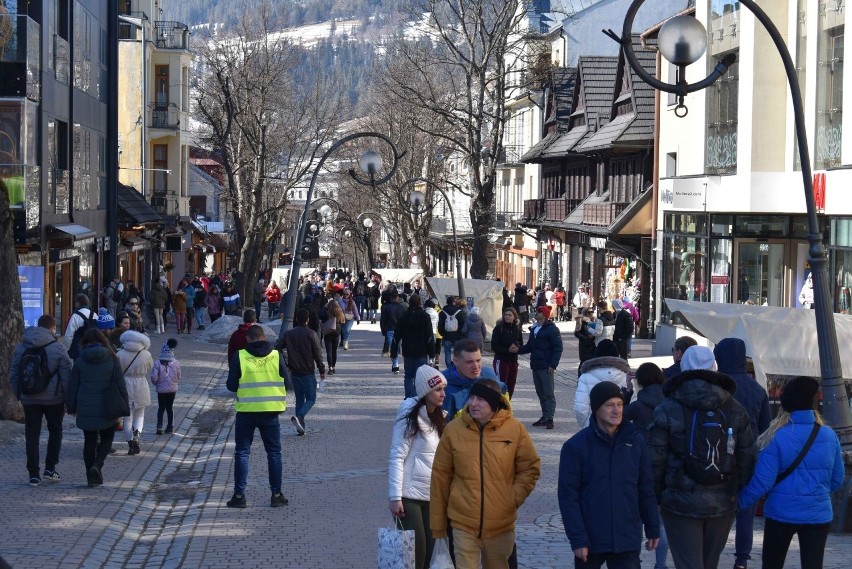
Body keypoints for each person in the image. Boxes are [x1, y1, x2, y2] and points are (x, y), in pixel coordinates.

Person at [648, 346, 755, 569]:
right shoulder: (734, 408)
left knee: (688, 564)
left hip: (678, 501)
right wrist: (736, 490)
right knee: (709, 564)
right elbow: (747, 455)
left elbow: (655, 458)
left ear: (682, 367)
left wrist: (656, 496)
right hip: (722, 500)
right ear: (715, 367)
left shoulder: (668, 407)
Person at [431, 379, 541, 568]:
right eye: (472, 397)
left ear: (494, 403)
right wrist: (438, 524)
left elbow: (530, 468)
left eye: (481, 399)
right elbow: (440, 477)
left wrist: (512, 498)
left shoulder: (515, 429)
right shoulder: (454, 430)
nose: (473, 403)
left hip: (500, 525)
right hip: (462, 522)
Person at [738, 376, 844, 569]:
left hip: (781, 512)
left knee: (772, 564)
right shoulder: (829, 435)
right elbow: (837, 479)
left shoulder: (776, 436)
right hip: (818, 514)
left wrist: (737, 503)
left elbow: (762, 482)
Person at [559, 381, 660, 569]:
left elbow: (645, 488)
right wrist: (578, 538)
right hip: (591, 537)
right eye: (609, 405)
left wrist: (653, 526)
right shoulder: (575, 447)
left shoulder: (635, 442)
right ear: (596, 408)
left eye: (620, 404)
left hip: (626, 536)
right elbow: (568, 497)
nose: (616, 410)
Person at [713, 337, 772, 569]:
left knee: (718, 509)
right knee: (746, 508)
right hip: (749, 455)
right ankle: (742, 558)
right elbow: (766, 427)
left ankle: (713, 552)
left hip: (717, 455)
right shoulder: (757, 390)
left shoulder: (716, 388)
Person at [388, 366, 448, 569]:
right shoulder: (409, 417)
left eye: (443, 388)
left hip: (432, 496)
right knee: (416, 554)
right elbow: (397, 456)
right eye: (438, 389)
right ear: (425, 392)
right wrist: (395, 497)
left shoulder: (439, 417)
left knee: (431, 553)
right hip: (409, 496)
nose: (443, 394)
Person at [226, 325, 289, 507]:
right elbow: (287, 380)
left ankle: (239, 496)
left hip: (246, 412)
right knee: (274, 453)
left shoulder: (240, 356)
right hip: (270, 412)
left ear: (248, 339)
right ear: (263, 337)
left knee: (242, 453)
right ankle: (276, 495)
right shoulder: (276, 355)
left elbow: (231, 386)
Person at [10, 314, 73, 486]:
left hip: (29, 398)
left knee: (32, 434)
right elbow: (66, 376)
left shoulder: (22, 346)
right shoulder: (58, 348)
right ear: (53, 328)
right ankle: (50, 468)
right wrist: (68, 400)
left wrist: (19, 394)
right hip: (54, 399)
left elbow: (14, 373)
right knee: (55, 431)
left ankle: (33, 474)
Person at [65, 329, 127, 487]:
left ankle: (90, 477)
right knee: (107, 437)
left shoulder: (79, 361)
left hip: (86, 406)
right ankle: (97, 464)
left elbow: (73, 386)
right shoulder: (112, 358)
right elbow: (120, 383)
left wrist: (70, 406)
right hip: (108, 405)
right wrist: (124, 404)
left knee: (89, 441)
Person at [623, 363, 669, 569]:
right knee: (660, 519)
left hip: (640, 463)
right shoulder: (670, 403)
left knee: (637, 516)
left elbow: (618, 418)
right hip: (665, 465)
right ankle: (661, 564)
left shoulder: (638, 406)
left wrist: (627, 390)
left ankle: (635, 557)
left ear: (639, 382)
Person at [277, 308, 326, 436]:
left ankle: (300, 427)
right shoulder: (311, 334)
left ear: (296, 319)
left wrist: (286, 360)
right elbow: (317, 354)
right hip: (308, 371)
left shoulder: (289, 334)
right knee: (311, 398)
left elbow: (277, 347)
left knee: (299, 398)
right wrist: (322, 369)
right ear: (307, 319)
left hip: (294, 371)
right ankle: (300, 417)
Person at [514, 306, 563, 430]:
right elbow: (530, 346)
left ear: (545, 315)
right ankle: (544, 416)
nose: (537, 313)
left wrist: (553, 364)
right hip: (536, 365)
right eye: (537, 311)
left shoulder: (552, 329)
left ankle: (550, 418)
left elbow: (558, 348)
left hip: (546, 366)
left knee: (548, 393)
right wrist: (517, 350)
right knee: (540, 392)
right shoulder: (535, 329)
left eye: (539, 312)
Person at [574, 340, 632, 428]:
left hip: (594, 427)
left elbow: (580, 409)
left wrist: (586, 425)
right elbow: (632, 405)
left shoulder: (585, 377)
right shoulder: (626, 377)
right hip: (621, 428)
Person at [391, 295, 436, 398]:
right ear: (420, 303)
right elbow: (429, 336)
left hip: (408, 351)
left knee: (408, 376)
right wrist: (432, 353)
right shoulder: (425, 316)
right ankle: (416, 399)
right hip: (422, 351)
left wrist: (394, 352)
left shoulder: (404, 316)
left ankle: (408, 398)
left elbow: (396, 336)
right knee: (419, 377)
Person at [117, 330, 154, 456]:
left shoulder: (119, 354)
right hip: (141, 383)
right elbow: (150, 368)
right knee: (140, 414)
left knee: (127, 417)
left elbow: (116, 370)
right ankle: (137, 433)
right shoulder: (146, 354)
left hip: (125, 383)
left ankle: (130, 442)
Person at [442, 339, 499, 420]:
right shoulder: (442, 385)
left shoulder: (489, 376)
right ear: (455, 361)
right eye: (469, 362)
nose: (476, 366)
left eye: (478, 360)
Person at [490, 307, 522, 398]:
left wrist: (516, 346)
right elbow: (494, 346)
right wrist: (507, 350)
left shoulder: (516, 328)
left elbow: (520, 342)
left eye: (510, 315)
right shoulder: (498, 328)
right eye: (506, 315)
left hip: (513, 360)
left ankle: (507, 403)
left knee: (511, 384)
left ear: (514, 317)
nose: (507, 317)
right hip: (501, 360)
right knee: (501, 383)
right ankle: (498, 404)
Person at [150, 339, 180, 435]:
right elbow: (179, 376)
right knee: (170, 407)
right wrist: (174, 382)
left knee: (161, 408)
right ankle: (170, 427)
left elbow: (154, 377)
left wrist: (157, 384)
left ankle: (159, 426)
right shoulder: (176, 363)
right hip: (172, 389)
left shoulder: (158, 363)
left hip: (161, 391)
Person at [380, 290, 406, 374]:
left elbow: (383, 320)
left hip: (390, 329)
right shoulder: (403, 307)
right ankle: (395, 364)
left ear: (391, 298)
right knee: (397, 347)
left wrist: (383, 330)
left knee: (393, 348)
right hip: (400, 330)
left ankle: (395, 365)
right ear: (398, 298)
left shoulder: (386, 307)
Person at [63, 293, 97, 358]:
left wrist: (66, 349)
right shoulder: (94, 314)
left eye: (76, 301)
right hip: (93, 346)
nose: (75, 303)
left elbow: (69, 335)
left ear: (78, 303)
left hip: (78, 349)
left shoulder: (75, 316)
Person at [438, 296, 466, 367]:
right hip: (456, 336)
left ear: (447, 302)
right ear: (454, 302)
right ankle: (457, 367)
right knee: (457, 353)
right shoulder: (458, 312)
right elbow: (462, 324)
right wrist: (459, 332)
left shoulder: (442, 312)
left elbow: (440, 325)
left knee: (447, 353)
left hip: (446, 336)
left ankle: (449, 367)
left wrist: (443, 333)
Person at [320, 298, 345, 375]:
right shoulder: (340, 311)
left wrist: (324, 307)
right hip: (337, 331)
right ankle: (334, 366)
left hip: (328, 331)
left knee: (329, 351)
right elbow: (343, 321)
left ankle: (330, 367)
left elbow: (320, 315)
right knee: (334, 351)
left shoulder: (327, 311)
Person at [574, 308, 597, 376]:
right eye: (589, 312)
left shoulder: (594, 320)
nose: (591, 313)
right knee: (583, 362)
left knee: (592, 361)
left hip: (593, 344)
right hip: (584, 345)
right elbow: (576, 333)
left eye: (592, 312)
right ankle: (581, 377)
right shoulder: (581, 320)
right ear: (585, 313)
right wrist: (585, 338)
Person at [424, 298, 442, 368]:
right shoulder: (435, 313)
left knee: (426, 347)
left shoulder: (425, 312)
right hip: (434, 332)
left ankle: (428, 360)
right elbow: (437, 323)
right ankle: (432, 360)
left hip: (425, 332)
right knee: (433, 347)